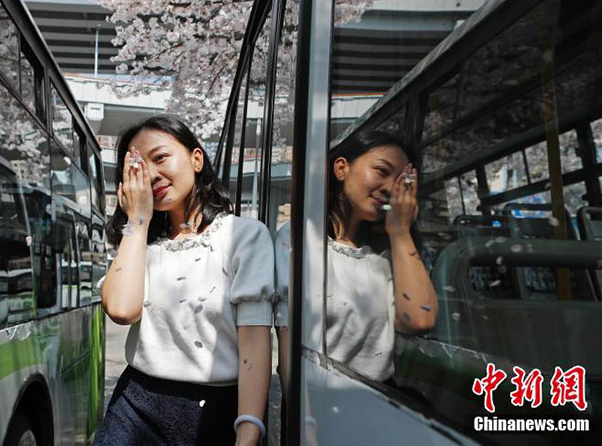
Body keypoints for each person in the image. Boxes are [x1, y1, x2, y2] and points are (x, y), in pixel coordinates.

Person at [94, 115, 274, 446]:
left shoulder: (243, 235)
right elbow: (121, 309)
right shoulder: (140, 243)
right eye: (139, 168)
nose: (153, 175)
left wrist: (249, 429)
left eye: (160, 158)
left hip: (217, 410)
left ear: (196, 159)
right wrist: (136, 221)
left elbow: (254, 343)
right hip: (136, 408)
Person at [273, 130, 437, 389]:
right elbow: (289, 349)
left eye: (399, 182)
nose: (388, 189)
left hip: (381, 402)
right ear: (341, 168)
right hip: (320, 406)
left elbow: (419, 319)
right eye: (381, 171)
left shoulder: (386, 254)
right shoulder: (300, 238)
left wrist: (400, 231)